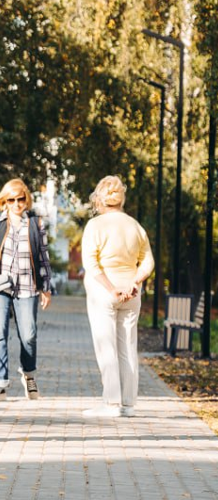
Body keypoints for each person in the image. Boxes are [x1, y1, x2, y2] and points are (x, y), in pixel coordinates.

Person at [0, 178, 53, 401]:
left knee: (28, 335)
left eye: (20, 199)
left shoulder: (36, 224)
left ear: (26, 199)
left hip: (28, 286)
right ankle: (0, 385)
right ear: (5, 201)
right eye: (11, 199)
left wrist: (46, 288)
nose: (17, 203)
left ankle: (28, 375)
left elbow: (44, 258)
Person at [80, 176, 154, 418]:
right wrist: (135, 282)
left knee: (106, 346)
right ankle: (129, 404)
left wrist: (111, 288)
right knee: (128, 347)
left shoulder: (95, 226)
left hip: (104, 292)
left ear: (100, 198)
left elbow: (90, 263)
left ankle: (111, 404)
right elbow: (148, 262)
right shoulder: (135, 226)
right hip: (131, 292)